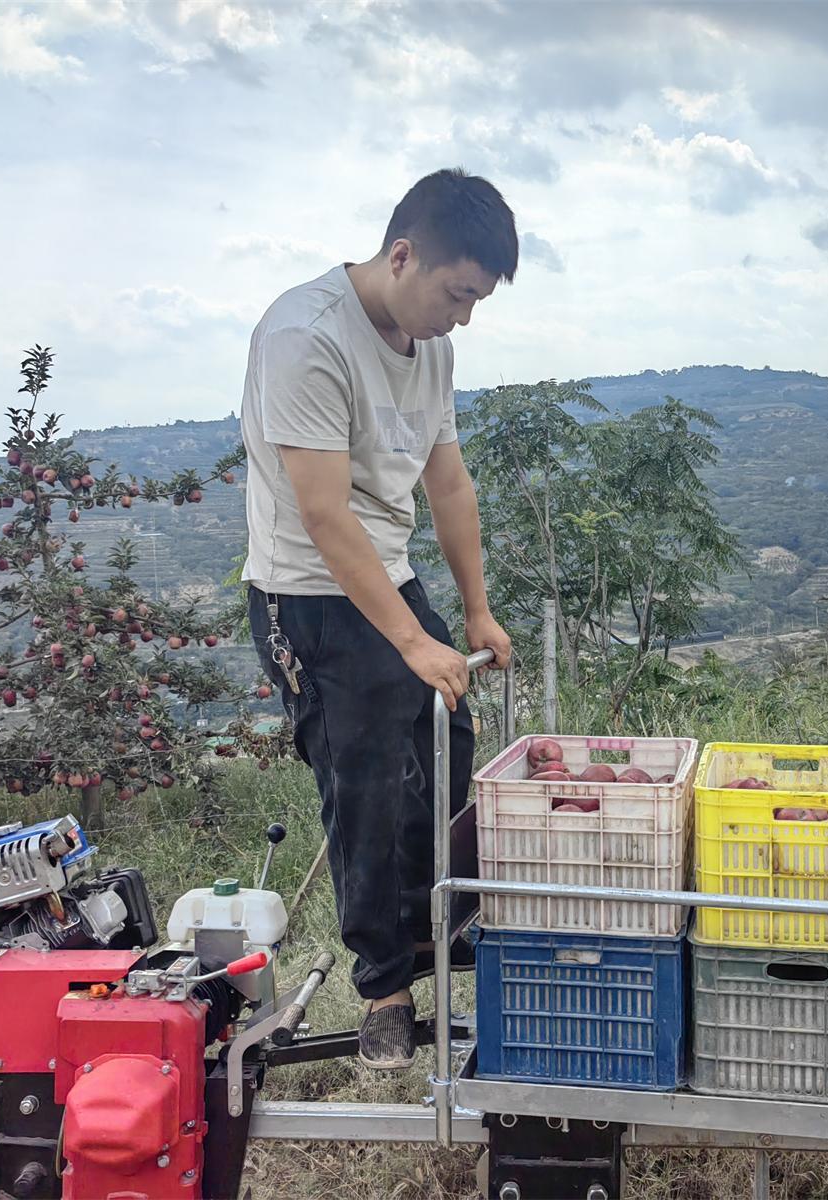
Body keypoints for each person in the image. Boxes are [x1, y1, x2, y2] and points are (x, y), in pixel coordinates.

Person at [239, 168, 516, 1070]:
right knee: (362, 788)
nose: (463, 317)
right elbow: (324, 513)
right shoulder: (305, 336)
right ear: (404, 255)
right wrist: (409, 640)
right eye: (457, 293)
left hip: (388, 578)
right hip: (309, 597)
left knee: (447, 756)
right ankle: (383, 989)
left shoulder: (430, 346)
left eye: (476, 299)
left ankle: (424, 929)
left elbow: (447, 481)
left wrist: (471, 612)